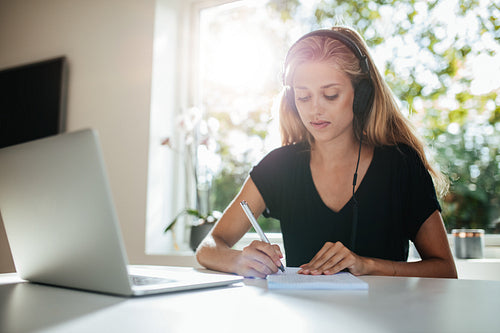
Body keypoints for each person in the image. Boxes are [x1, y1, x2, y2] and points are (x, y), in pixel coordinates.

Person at [196, 26, 457, 279]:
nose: (315, 110)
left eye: (330, 95)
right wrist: (240, 259)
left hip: (383, 321)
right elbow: (209, 247)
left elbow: (444, 270)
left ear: (361, 95)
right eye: (303, 97)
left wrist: (366, 265)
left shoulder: (400, 164)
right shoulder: (279, 166)